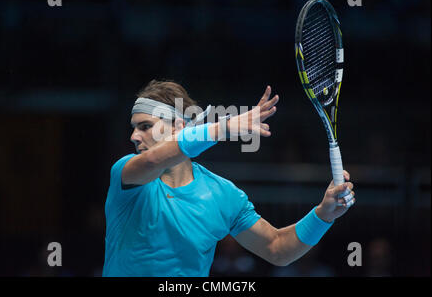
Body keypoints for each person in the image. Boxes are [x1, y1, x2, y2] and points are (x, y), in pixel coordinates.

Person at [102, 80, 356, 277]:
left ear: (179, 127)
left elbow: (278, 249)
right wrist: (222, 127)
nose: (134, 137)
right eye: (133, 128)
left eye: (145, 126)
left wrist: (324, 215)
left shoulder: (223, 195)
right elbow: (153, 161)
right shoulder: (126, 174)